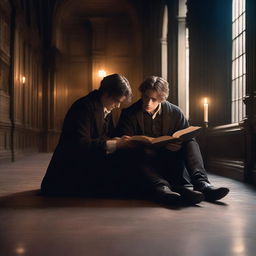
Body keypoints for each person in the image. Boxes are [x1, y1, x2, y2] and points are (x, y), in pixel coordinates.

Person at [116, 76, 229, 205]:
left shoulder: (175, 112)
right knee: (132, 152)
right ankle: (162, 188)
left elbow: (186, 135)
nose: (148, 102)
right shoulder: (129, 113)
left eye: (154, 99)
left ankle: (201, 183)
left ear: (162, 99)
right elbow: (123, 142)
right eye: (146, 97)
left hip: (171, 162)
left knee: (191, 142)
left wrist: (178, 144)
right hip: (144, 165)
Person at [41, 74, 132, 196]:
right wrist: (114, 143)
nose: (118, 105)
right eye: (116, 101)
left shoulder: (104, 107)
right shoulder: (83, 107)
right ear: (105, 93)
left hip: (88, 163)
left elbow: (103, 136)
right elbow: (79, 145)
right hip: (69, 172)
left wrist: (115, 139)